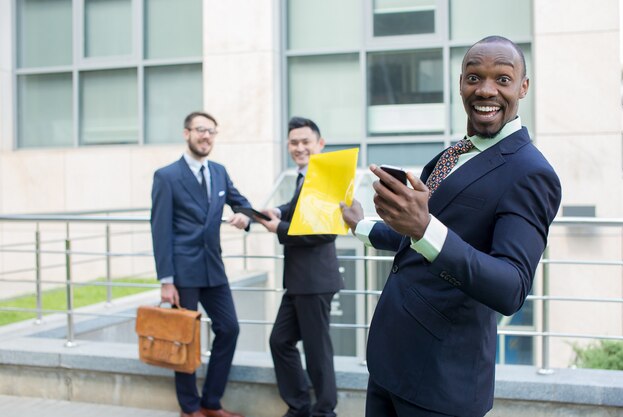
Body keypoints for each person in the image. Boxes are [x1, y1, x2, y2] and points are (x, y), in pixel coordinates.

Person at [340, 36, 562, 417]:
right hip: (390, 362)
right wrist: (361, 224)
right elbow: (413, 237)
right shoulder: (452, 155)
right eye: (474, 77)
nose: (486, 90)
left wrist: (425, 228)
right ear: (461, 83)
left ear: (523, 87)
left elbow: (510, 287)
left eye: (503, 79)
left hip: (441, 383)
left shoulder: (531, 173)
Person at [151, 111, 250, 417]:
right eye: (200, 130)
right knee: (185, 337)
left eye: (211, 132)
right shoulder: (166, 176)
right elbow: (160, 229)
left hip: (213, 267)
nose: (206, 136)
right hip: (183, 271)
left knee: (229, 328)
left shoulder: (219, 171)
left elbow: (241, 202)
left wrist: (245, 216)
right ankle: (190, 408)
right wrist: (166, 280)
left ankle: (211, 402)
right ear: (187, 133)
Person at [255, 116, 344, 417]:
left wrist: (278, 226)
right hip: (298, 280)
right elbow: (299, 208)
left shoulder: (329, 175)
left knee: (318, 353)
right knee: (280, 341)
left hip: (315, 280)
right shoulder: (305, 176)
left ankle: (324, 412)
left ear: (320, 144)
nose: (299, 147)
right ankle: (299, 406)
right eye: (294, 142)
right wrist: (276, 210)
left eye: (306, 141)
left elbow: (324, 230)